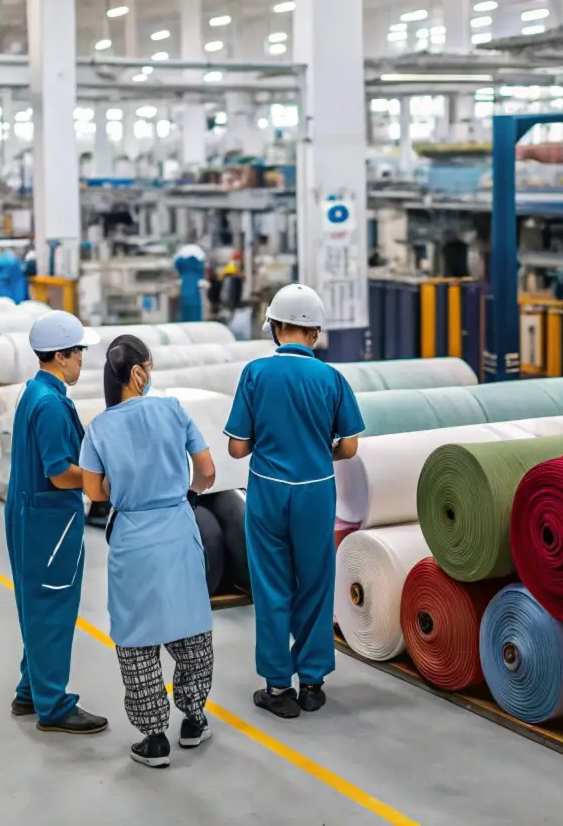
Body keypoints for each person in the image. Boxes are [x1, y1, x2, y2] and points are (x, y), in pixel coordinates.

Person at [224, 283, 364, 718]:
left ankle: (278, 687)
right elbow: (351, 446)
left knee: (271, 586)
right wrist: (318, 450)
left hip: (267, 490)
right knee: (316, 583)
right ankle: (314, 682)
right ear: (315, 333)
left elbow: (236, 448)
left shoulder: (255, 374)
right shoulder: (332, 378)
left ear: (276, 327)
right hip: (316, 490)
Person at [79, 334, 217, 769]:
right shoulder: (173, 410)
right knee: (192, 627)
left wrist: (126, 489)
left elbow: (93, 491)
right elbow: (208, 471)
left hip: (132, 539)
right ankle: (194, 720)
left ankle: (154, 738)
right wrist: (186, 493)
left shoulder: (99, 428)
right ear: (139, 372)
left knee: (137, 639)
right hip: (178, 529)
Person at [4, 310, 108, 736]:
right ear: (61, 355)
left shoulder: (37, 391)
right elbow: (59, 471)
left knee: (36, 603)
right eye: (79, 352)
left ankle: (30, 690)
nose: (83, 360)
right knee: (52, 608)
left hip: (30, 514)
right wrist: (101, 482)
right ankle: (53, 705)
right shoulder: (49, 405)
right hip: (50, 521)